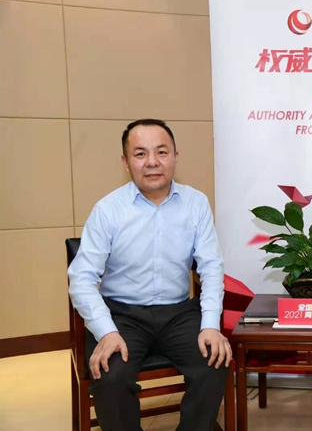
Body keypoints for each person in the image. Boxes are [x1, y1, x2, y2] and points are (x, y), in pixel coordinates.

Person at [68, 118, 230, 431]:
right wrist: (106, 331)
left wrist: (210, 324)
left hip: (178, 313)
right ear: (125, 162)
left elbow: (211, 267)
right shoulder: (108, 209)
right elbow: (81, 279)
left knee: (214, 362)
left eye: (161, 152)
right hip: (122, 316)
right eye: (140, 154)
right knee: (110, 377)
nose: (152, 162)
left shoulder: (196, 203)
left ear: (175, 157)